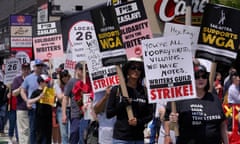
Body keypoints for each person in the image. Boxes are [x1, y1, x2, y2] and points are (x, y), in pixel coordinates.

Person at [164, 64, 228, 144]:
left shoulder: (215, 99)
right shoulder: (181, 99)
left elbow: (222, 124)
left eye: (204, 76)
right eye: (197, 76)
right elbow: (167, 121)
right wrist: (170, 128)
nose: (200, 79)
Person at [106, 57, 153, 144]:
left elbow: (150, 115)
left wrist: (138, 122)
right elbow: (109, 113)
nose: (136, 71)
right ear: (127, 70)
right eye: (133, 68)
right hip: (121, 138)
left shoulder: (145, 92)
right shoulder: (117, 90)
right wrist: (122, 105)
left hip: (138, 138)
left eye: (139, 69)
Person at [62, 62, 92, 144]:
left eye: (85, 69)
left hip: (87, 114)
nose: (83, 71)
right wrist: (64, 114)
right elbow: (65, 98)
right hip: (75, 114)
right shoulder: (71, 82)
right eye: (81, 69)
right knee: (74, 135)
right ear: (76, 70)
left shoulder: (89, 81)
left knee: (84, 136)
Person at [20, 59, 45, 144]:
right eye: (38, 66)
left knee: (43, 129)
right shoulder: (28, 78)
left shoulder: (46, 77)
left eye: (41, 66)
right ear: (34, 67)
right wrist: (27, 101)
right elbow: (22, 91)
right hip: (33, 108)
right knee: (33, 129)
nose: (40, 68)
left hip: (44, 108)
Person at [27, 74, 53, 144]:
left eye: (48, 82)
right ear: (41, 82)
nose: (47, 84)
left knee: (48, 136)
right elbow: (29, 101)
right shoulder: (36, 92)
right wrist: (39, 97)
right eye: (46, 82)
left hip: (48, 116)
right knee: (40, 136)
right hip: (39, 116)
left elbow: (53, 103)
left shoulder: (50, 91)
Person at [12, 62, 31, 144]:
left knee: (30, 130)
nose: (26, 71)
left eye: (27, 69)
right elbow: (14, 93)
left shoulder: (33, 79)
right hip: (21, 108)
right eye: (24, 69)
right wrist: (21, 87)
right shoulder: (17, 79)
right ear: (22, 70)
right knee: (22, 130)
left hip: (32, 108)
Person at [54, 68, 71, 144]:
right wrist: (68, 92)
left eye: (66, 75)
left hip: (71, 109)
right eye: (63, 76)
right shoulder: (57, 85)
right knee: (64, 133)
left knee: (71, 132)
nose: (65, 77)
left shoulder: (71, 83)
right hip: (61, 110)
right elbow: (60, 97)